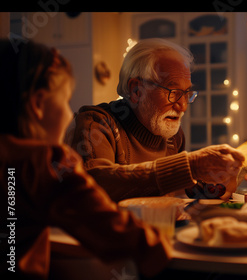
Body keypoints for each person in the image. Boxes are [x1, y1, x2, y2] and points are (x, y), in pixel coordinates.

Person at [0, 39, 171, 279]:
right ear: (38, 104)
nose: (70, 113)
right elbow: (115, 232)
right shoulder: (44, 164)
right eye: (65, 102)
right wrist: (159, 247)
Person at [66, 38, 244, 202]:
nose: (183, 106)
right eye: (173, 92)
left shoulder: (173, 137)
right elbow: (95, 183)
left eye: (186, 93)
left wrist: (218, 184)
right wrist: (189, 166)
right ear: (137, 90)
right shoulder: (97, 123)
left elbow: (188, 188)